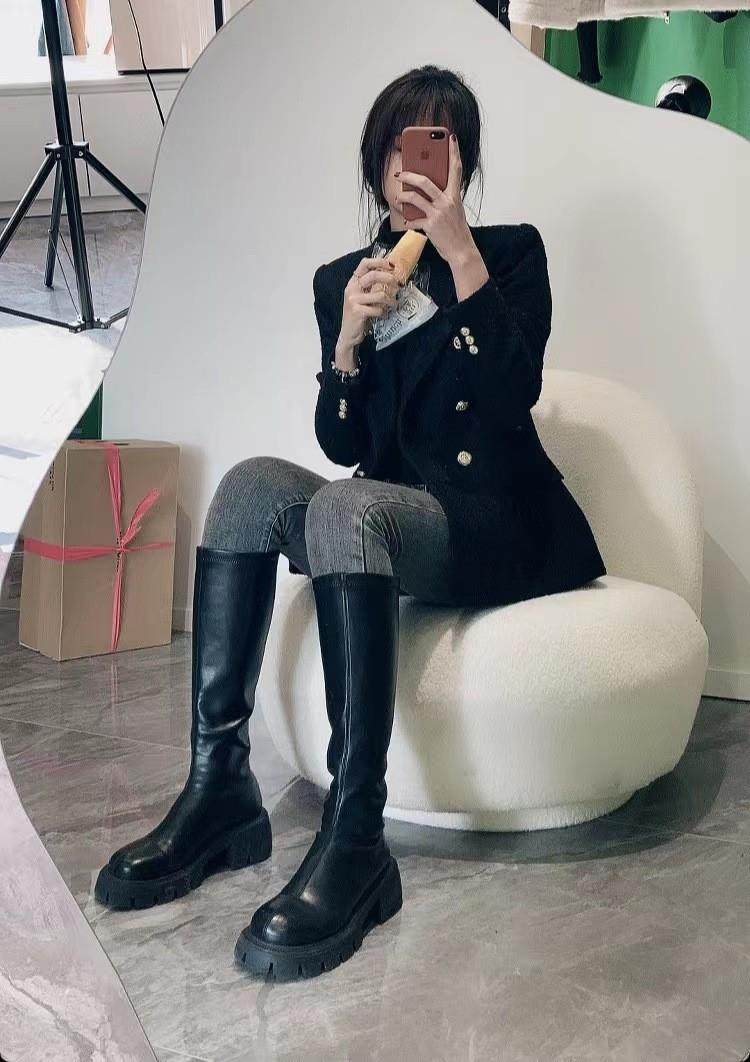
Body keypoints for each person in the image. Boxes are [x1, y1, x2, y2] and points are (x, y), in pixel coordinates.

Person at [94, 65, 606, 981]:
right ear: (376, 166)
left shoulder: (508, 255)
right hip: (387, 517)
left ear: (462, 165)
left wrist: (460, 255)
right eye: (401, 150)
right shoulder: (346, 279)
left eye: (437, 148)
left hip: (493, 523)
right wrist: (347, 343)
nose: (416, 169)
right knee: (251, 485)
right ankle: (220, 790)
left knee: (349, 504)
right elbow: (343, 443)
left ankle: (357, 839)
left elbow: (510, 394)